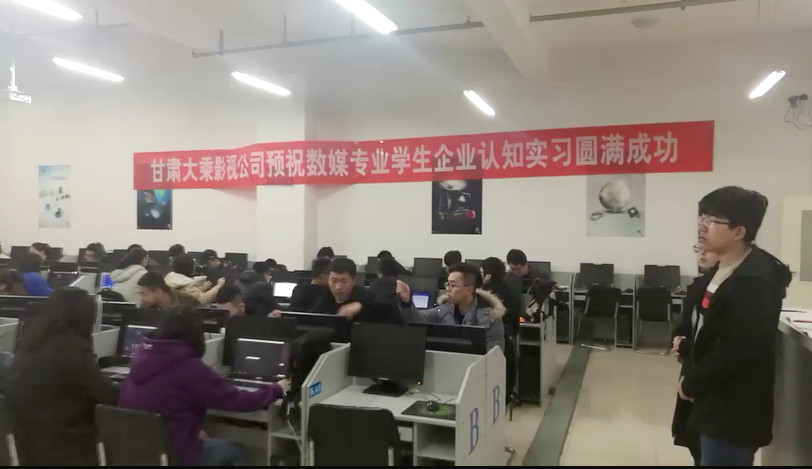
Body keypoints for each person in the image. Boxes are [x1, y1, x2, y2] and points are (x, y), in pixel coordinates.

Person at [675, 186, 791, 467]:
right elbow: (707, 327)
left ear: (739, 232)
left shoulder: (756, 279)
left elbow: (739, 348)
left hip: (732, 409)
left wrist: (692, 383)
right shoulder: (723, 269)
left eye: (713, 221)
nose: (702, 227)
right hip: (710, 399)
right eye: (702, 218)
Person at [119, 307, 289, 466]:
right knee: (234, 450)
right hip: (175, 455)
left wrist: (190, 432)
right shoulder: (190, 369)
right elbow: (239, 401)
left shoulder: (140, 360)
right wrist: (276, 389)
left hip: (137, 452)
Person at [5, 288, 119, 465]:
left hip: (28, 442)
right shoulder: (72, 347)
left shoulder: (30, 341)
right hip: (64, 444)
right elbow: (107, 394)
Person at [672, 247, 721, 466]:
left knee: (706, 447)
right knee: (694, 441)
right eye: (699, 249)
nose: (702, 254)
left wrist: (686, 346)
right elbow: (687, 322)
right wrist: (677, 338)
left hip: (706, 378)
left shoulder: (723, 288)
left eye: (709, 250)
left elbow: (714, 341)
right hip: (691, 370)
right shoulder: (700, 285)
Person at [407, 263, 505, 351]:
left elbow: (495, 357)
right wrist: (406, 303)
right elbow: (418, 319)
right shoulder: (443, 310)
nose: (448, 289)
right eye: (447, 284)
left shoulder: (491, 318)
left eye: (453, 285)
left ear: (469, 290)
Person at [310, 258, 409, 324]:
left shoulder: (364, 296)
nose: (338, 287)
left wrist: (361, 305)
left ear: (354, 280)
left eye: (344, 281)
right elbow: (310, 323)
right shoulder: (323, 297)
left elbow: (391, 315)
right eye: (333, 281)